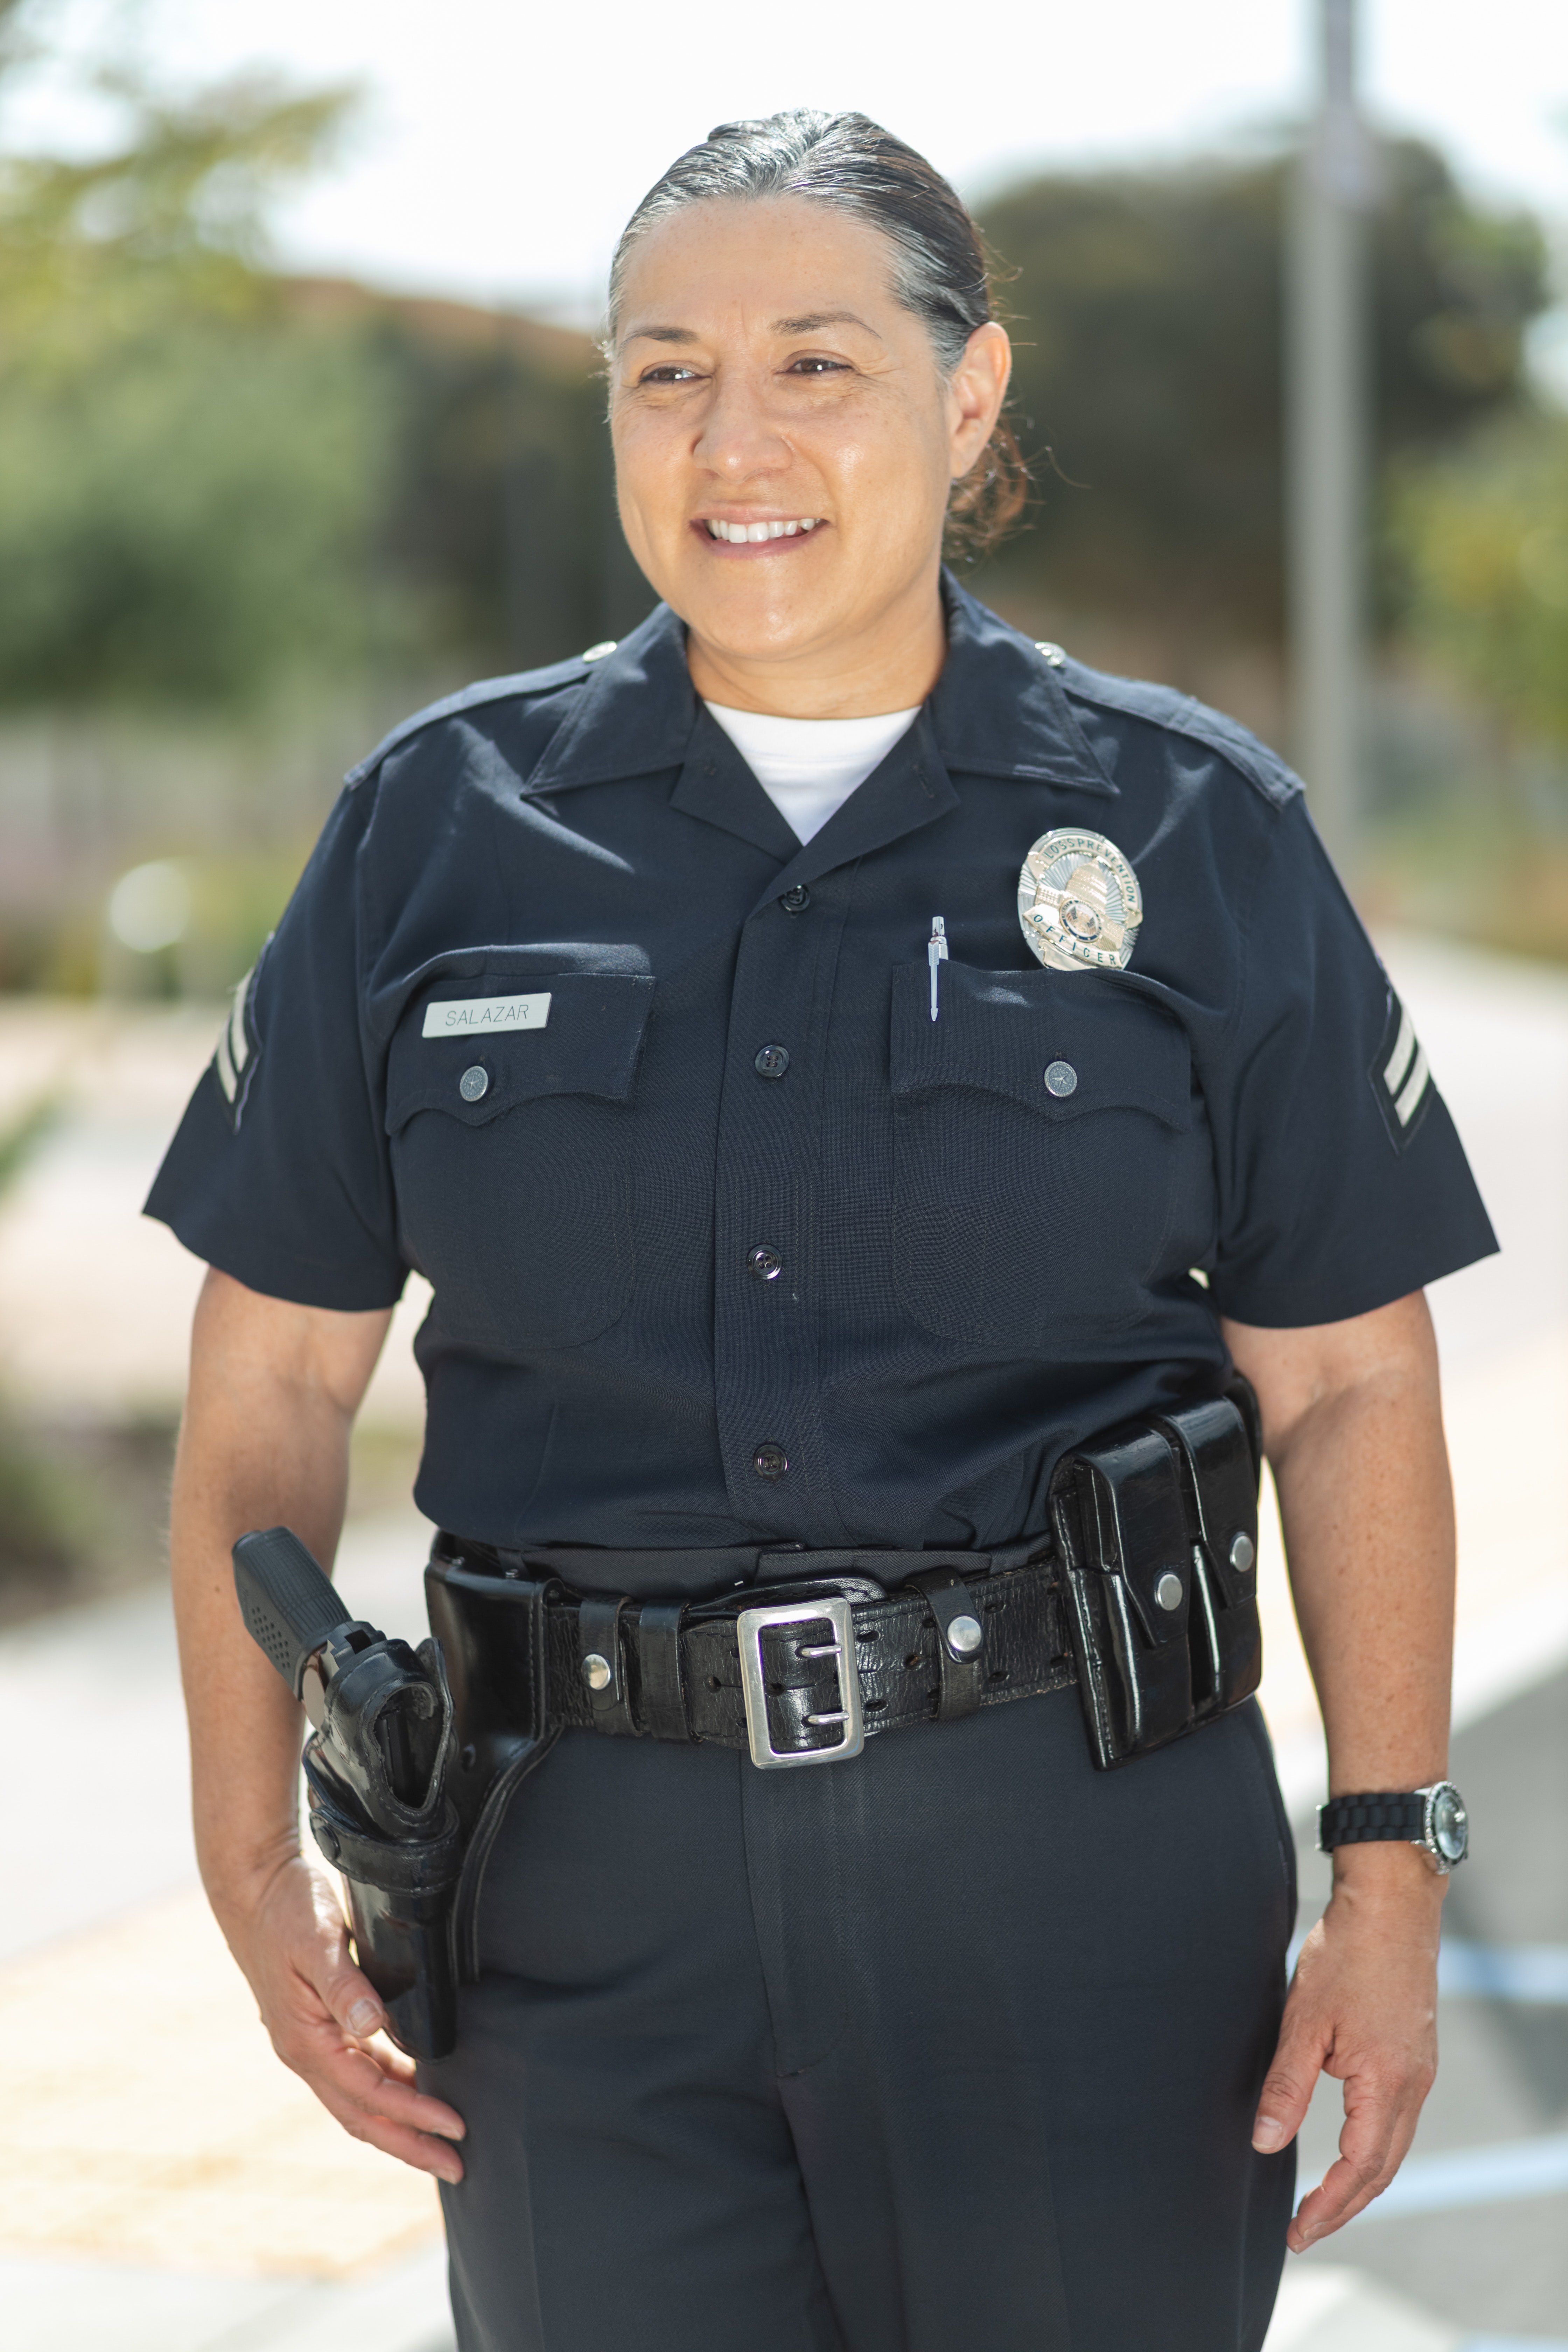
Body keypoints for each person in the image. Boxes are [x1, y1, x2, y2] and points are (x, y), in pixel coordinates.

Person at [149, 109, 1495, 2352]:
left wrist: (1388, 1864)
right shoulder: (434, 832)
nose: (731, 436)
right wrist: (237, 1849)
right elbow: (270, 1379)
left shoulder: (1193, 830)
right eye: (664, 371)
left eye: (816, 365)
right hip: (573, 1917)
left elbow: (1351, 1376)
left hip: (1074, 1892)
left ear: (967, 401)